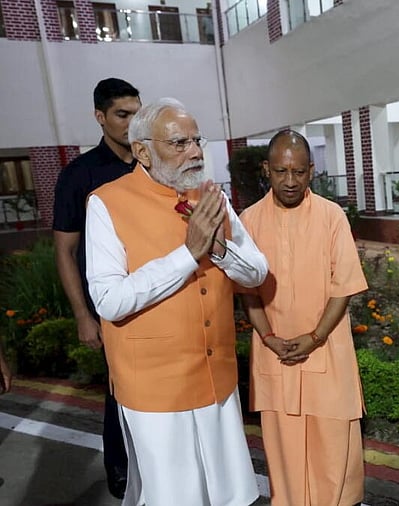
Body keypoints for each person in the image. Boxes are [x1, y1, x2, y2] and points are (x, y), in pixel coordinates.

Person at [85, 97, 268, 506]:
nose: (196, 151)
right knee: (175, 496)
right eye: (180, 143)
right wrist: (188, 255)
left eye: (197, 140)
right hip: (155, 389)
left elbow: (256, 272)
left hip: (215, 379)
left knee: (229, 493)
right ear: (143, 151)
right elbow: (109, 300)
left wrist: (219, 251)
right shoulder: (106, 203)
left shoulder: (209, 196)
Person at [238, 130, 368, 506]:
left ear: (312, 170)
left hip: (326, 350)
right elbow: (247, 291)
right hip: (274, 353)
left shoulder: (331, 217)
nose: (290, 181)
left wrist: (315, 337)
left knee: (334, 452)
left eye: (298, 172)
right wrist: (267, 338)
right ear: (267, 170)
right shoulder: (249, 220)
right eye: (281, 172)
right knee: (285, 451)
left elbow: (343, 286)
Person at [52, 77, 141, 499]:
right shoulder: (80, 175)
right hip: (109, 305)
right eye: (123, 115)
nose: (131, 123)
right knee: (118, 389)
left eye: (137, 113)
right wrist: (83, 316)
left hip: (157, 299)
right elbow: (65, 251)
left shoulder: (153, 166)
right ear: (100, 117)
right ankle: (121, 473)